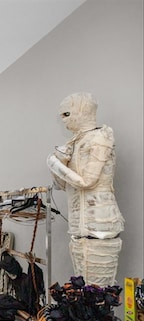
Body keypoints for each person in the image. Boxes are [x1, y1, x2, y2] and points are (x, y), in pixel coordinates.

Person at [46, 92, 124, 287]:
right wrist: (60, 163)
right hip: (79, 229)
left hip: (100, 226)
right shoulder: (74, 143)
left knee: (97, 294)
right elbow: (61, 185)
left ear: (81, 111)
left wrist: (54, 163)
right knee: (85, 293)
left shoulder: (100, 138)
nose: (64, 121)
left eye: (66, 114)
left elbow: (87, 181)